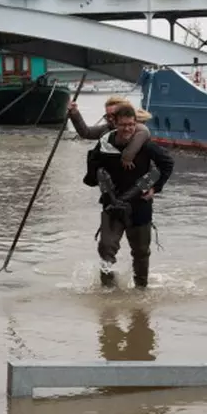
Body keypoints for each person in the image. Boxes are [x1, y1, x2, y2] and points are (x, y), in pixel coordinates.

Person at [83, 104, 174, 288]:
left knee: (141, 253)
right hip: (111, 206)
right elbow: (92, 169)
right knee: (106, 249)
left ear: (136, 124)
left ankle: (141, 290)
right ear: (115, 123)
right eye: (123, 125)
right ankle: (108, 291)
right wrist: (96, 177)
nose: (127, 129)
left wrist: (155, 188)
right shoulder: (104, 145)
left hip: (139, 206)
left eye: (131, 125)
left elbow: (167, 163)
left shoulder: (146, 146)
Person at [68, 96, 150, 169]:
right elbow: (86, 133)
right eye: (108, 116)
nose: (110, 119)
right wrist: (74, 113)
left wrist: (127, 156)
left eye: (113, 115)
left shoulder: (134, 128)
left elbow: (143, 132)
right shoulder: (107, 128)